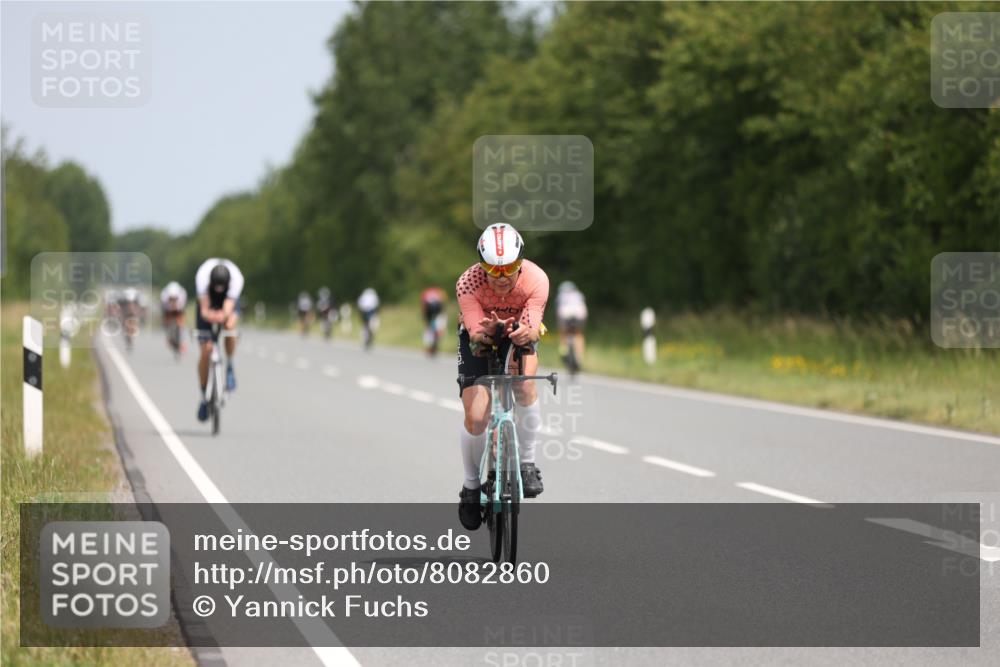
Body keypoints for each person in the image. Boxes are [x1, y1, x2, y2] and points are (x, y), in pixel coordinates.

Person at [455, 223, 549, 530]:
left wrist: (524, 333)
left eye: (509, 268)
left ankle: (528, 463)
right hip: (479, 336)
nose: (502, 277)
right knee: (477, 416)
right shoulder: (468, 282)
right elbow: (474, 333)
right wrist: (487, 333)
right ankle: (471, 487)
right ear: (481, 266)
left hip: (520, 332)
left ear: (520, 261)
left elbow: (534, 328)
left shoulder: (536, 279)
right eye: (492, 270)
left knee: (524, 388)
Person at [194, 259, 244, 422]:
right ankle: (204, 396)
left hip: (227, 303)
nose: (219, 289)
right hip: (209, 301)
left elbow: (228, 309)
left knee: (230, 326)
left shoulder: (237, 279)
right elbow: (204, 311)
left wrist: (222, 316)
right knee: (206, 350)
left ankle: (229, 364)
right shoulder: (202, 277)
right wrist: (210, 316)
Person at [555, 280, 588, 372]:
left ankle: (563, 349)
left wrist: (560, 325)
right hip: (580, 315)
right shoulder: (579, 294)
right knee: (578, 334)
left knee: (563, 331)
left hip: (565, 315)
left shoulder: (561, 295)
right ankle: (579, 357)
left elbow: (558, 311)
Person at [160, 281, 188, 354]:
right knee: (166, 319)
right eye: (171, 299)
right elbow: (164, 309)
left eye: (175, 298)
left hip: (179, 308)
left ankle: (182, 341)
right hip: (167, 309)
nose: (173, 300)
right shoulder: (164, 296)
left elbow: (182, 309)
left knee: (181, 320)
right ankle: (168, 337)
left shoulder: (182, 295)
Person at [420, 286, 446, 356]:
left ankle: (430, 348)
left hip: (430, 313)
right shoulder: (439, 292)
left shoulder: (426, 293)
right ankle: (434, 347)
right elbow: (443, 304)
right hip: (438, 312)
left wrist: (425, 319)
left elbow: (424, 306)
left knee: (429, 330)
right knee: (437, 330)